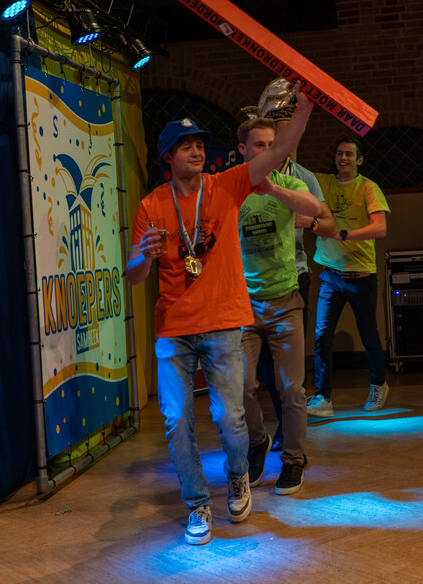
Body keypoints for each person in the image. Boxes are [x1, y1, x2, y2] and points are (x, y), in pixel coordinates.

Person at [126, 86, 314, 545]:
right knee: (176, 421)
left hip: (225, 323)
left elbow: (281, 151)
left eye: (200, 145)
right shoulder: (151, 205)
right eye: (186, 146)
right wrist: (144, 256)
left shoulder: (226, 185)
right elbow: (132, 275)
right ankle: (197, 504)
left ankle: (237, 478)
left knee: (230, 417)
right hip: (174, 330)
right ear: (168, 156)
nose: (197, 151)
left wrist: (306, 105)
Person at [241, 78, 335, 451]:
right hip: (251, 288)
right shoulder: (242, 180)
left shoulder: (301, 178)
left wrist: (306, 221)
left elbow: (328, 224)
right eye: (270, 136)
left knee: (288, 372)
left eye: (285, 133)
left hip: (293, 276)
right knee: (260, 368)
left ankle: (289, 435)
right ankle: (277, 426)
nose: (280, 141)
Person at [236, 116, 320, 496]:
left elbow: (314, 208)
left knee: (292, 390)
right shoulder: (233, 189)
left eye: (272, 144)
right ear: (243, 150)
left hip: (286, 301)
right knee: (241, 387)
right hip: (244, 305)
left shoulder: (289, 183)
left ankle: (293, 460)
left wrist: (273, 188)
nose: (267, 151)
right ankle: (257, 443)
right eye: (259, 145)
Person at [307, 138, 391, 417]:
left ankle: (378, 384)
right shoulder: (324, 183)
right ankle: (323, 397)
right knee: (321, 336)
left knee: (369, 336)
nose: (343, 158)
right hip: (330, 276)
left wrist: (344, 234)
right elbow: (291, 167)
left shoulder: (368, 188)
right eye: (339, 153)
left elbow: (380, 228)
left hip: (361, 276)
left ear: (359, 160)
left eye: (349, 154)